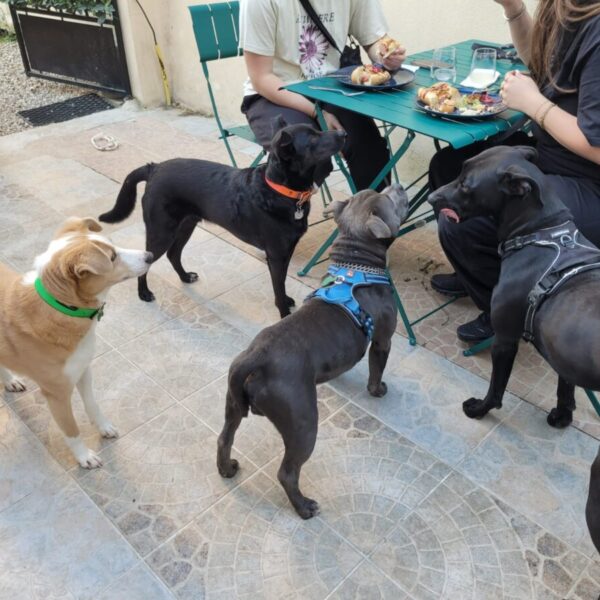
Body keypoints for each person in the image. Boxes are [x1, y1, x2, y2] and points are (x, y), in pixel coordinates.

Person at [429, 0, 600, 342]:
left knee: (462, 225)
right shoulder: (563, 6)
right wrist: (514, 8)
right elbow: (539, 64)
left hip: (589, 184)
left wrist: (534, 103)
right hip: (550, 156)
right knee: (449, 168)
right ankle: (480, 272)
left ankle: (507, 310)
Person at [239, 0, 405, 191]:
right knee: (304, 155)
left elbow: (374, 40)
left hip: (330, 89)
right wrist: (318, 114)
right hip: (273, 93)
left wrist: (385, 56)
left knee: (369, 149)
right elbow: (261, 78)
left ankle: (371, 218)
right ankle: (280, 217)